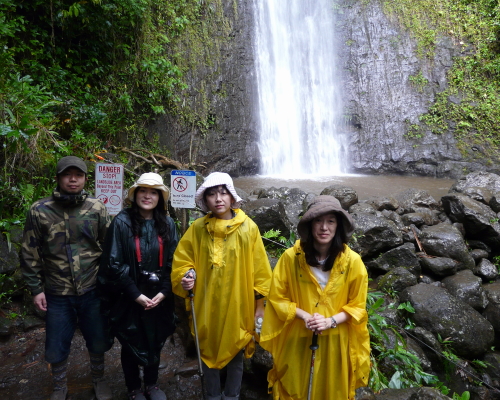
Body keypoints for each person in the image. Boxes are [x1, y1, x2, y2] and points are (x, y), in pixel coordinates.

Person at [171, 172, 272, 400]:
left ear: (231, 196)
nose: (218, 198)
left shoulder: (248, 228)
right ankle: (212, 395)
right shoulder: (197, 229)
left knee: (236, 353)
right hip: (207, 305)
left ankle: (232, 395)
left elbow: (260, 271)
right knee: (206, 350)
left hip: (239, 305)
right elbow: (183, 260)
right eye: (212, 194)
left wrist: (259, 306)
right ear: (205, 199)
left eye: (223, 193)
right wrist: (187, 275)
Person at [259, 195, 370, 400]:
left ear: (338, 226)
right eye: (318, 221)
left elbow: (357, 307)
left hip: (336, 341)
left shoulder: (353, 262)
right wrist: (305, 316)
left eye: (330, 221)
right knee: (295, 388)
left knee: (331, 390)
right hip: (298, 337)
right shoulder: (291, 258)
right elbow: (277, 298)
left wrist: (330, 321)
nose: (324, 227)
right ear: (310, 225)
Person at [21, 156, 112, 400]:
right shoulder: (39, 210)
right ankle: (60, 386)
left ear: (85, 178)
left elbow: (109, 247)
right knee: (56, 343)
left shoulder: (96, 208)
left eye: (78, 175)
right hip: (57, 291)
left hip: (92, 288)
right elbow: (29, 252)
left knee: (98, 339)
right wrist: (35, 289)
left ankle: (99, 379)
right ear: (58, 178)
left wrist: (109, 284)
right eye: (67, 175)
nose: (73, 179)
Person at [98, 172, 178, 400]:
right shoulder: (122, 222)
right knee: (131, 338)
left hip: (158, 294)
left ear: (160, 198)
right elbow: (113, 262)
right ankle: (133, 387)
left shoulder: (168, 224)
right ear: (135, 194)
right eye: (143, 190)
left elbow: (174, 260)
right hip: (130, 294)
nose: (148, 196)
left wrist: (164, 292)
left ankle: (151, 384)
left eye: (154, 192)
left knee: (155, 336)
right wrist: (135, 294)